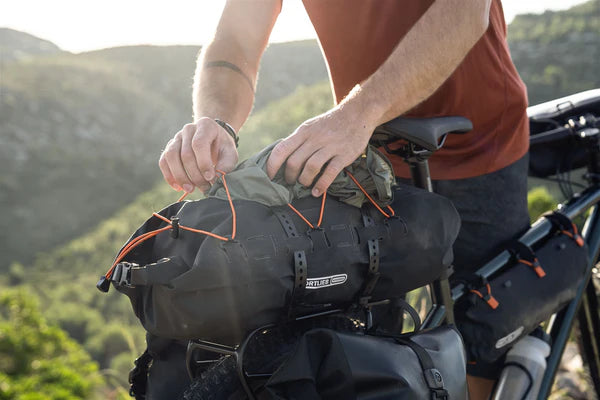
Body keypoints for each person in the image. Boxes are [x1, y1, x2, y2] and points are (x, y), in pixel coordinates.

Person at [158, 1, 531, 399]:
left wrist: (359, 112)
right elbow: (236, 38)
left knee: (485, 343)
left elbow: (465, 12)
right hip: (364, 161)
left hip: (479, 145)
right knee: (363, 357)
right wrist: (216, 121)